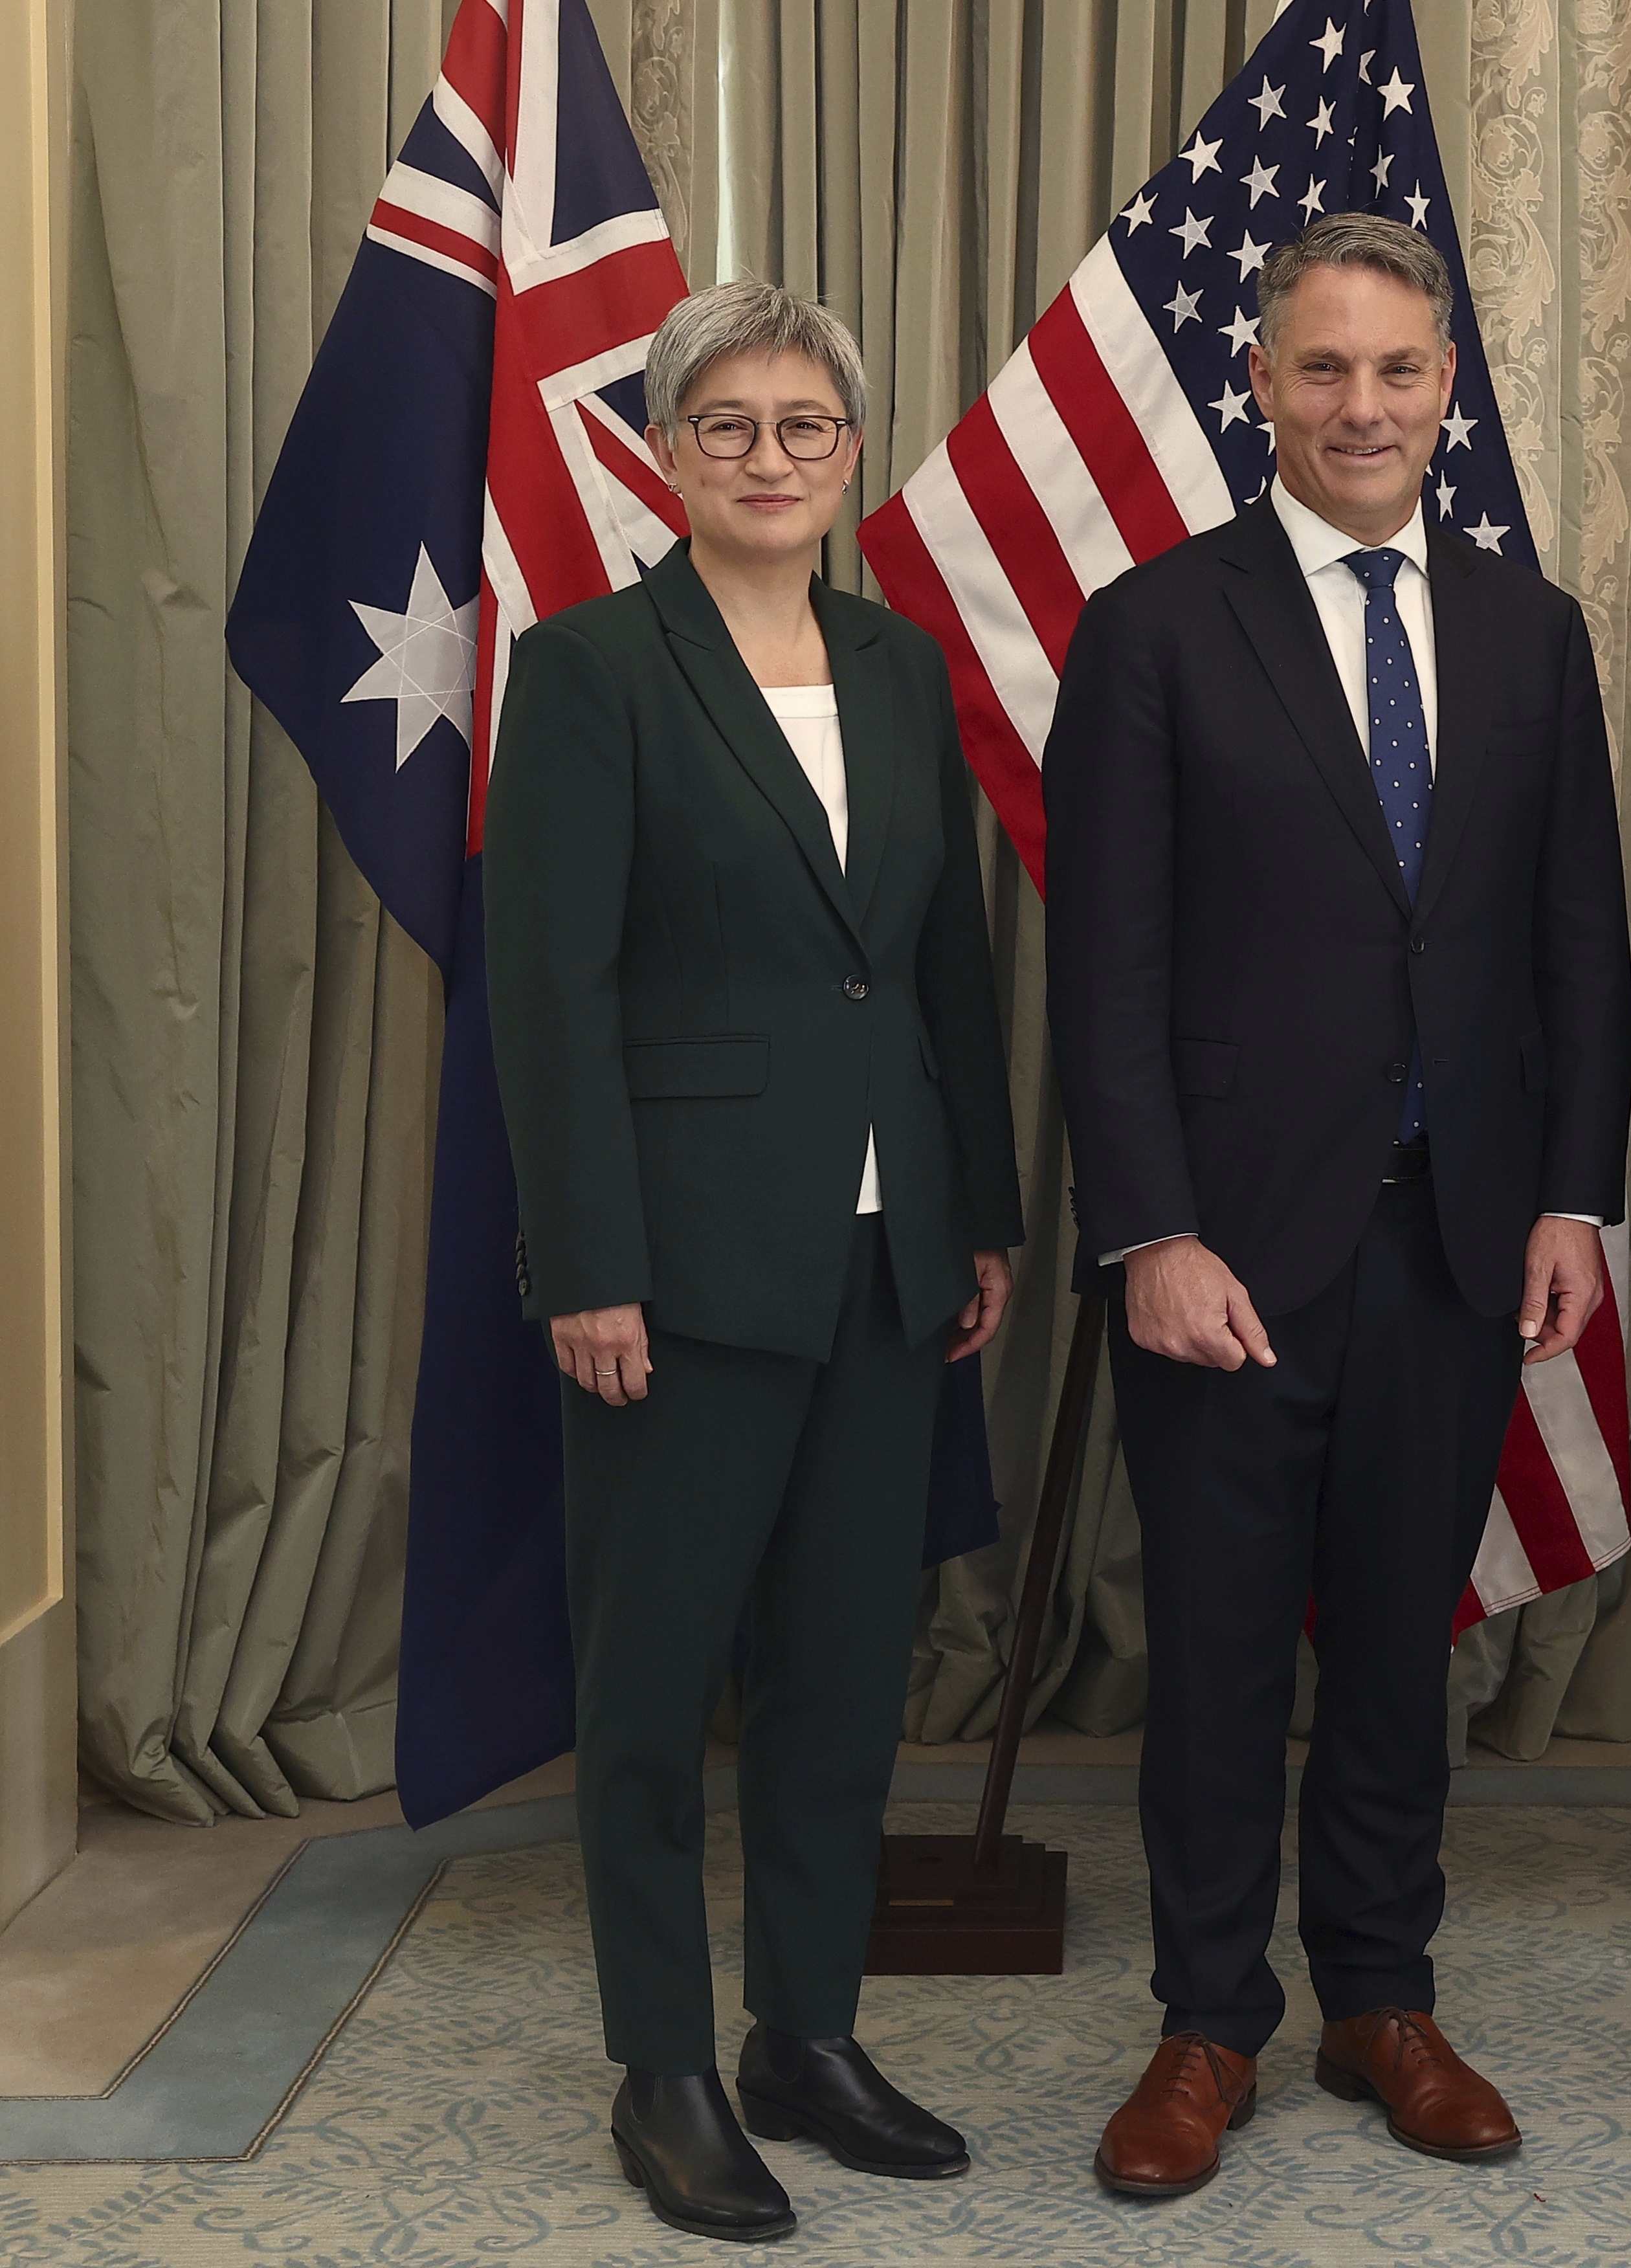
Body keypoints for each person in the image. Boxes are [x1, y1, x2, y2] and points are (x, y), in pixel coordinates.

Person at [1045, 212, 1631, 2200]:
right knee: (1214, 1652)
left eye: (1397, 372)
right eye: (1323, 369)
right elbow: (1104, 964)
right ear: (1264, 383)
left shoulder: (1529, 633)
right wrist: (1149, 1230)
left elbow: (1576, 948)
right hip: (1230, 1250)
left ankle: (1384, 1996)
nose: (1360, 405)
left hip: (1456, 1239)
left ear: (1447, 388)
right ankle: (1209, 2020)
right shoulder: (1154, 626)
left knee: (1398, 1643)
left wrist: (1573, 1198)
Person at [487, 279, 1025, 2244]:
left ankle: (809, 2032)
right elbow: (554, 998)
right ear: (666, 448)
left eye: (807, 424)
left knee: (838, 1682)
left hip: (889, 1261)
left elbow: (940, 956)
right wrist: (590, 1266)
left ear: (851, 453)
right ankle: (667, 2068)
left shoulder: (895, 666)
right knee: (650, 1688)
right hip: (687, 1266)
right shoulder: (590, 670)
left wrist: (979, 1210)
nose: (772, 456)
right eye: (730, 424)